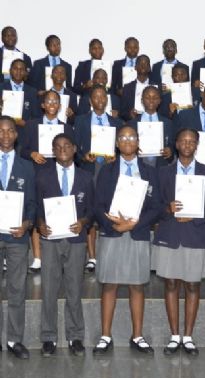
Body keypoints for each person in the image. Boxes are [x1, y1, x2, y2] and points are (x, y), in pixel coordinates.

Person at [93, 125, 161, 354]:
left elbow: (156, 207)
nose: (127, 140)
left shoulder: (150, 172)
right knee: (109, 285)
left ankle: (137, 336)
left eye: (132, 137)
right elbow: (98, 205)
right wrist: (114, 224)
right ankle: (105, 336)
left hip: (138, 233)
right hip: (112, 232)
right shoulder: (106, 171)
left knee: (137, 285)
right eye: (123, 137)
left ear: (138, 141)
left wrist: (134, 224)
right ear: (116, 143)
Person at [152, 128, 205, 355]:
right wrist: (167, 209)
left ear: (197, 145)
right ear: (177, 144)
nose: (187, 144)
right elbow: (154, 205)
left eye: (192, 141)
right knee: (171, 284)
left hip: (195, 234)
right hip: (170, 234)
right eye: (184, 140)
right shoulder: (163, 172)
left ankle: (188, 336)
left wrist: (197, 215)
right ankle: (174, 336)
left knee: (192, 285)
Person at [36, 133, 94, 357]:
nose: (62, 149)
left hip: (76, 240)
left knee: (74, 290)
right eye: (58, 146)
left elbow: (92, 210)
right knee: (49, 290)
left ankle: (75, 336)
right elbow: (36, 207)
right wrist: (40, 224)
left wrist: (83, 222)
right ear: (53, 151)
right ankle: (48, 337)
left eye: (67, 145)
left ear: (75, 149)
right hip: (50, 239)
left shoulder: (86, 177)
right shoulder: (42, 176)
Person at [21, 90, 74, 272]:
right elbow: (22, 149)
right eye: (48, 101)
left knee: (58, 211)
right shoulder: (31, 125)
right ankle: (37, 257)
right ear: (43, 105)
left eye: (55, 101)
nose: (52, 104)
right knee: (38, 213)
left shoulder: (66, 128)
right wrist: (32, 154)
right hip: (37, 174)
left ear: (60, 105)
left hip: (59, 174)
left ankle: (61, 256)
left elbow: (72, 152)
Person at [74, 84, 123, 272]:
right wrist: (83, 157)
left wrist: (116, 157)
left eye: (103, 96)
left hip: (110, 171)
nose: (100, 100)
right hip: (89, 170)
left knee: (109, 210)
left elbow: (123, 149)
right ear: (90, 100)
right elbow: (74, 148)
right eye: (96, 96)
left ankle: (112, 255)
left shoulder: (117, 123)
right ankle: (92, 257)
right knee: (90, 211)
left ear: (107, 99)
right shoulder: (81, 121)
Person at [0, 115, 35, 359]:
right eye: (1, 130)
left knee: (17, 289)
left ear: (16, 134)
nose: (5, 135)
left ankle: (14, 340)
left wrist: (27, 224)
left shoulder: (27, 166)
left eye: (10, 130)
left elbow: (32, 203)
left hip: (17, 236)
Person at [126, 85, 174, 167]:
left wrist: (170, 150)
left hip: (161, 166)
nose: (151, 100)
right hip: (138, 166)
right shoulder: (131, 124)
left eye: (155, 98)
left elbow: (172, 144)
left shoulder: (168, 123)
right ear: (142, 100)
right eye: (147, 97)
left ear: (159, 101)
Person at [0, 59, 41, 135]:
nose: (18, 71)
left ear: (26, 72)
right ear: (10, 70)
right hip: (2, 131)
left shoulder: (32, 91)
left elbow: (36, 116)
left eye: (21, 69)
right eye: (15, 68)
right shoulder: (1, 88)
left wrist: (26, 123)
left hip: (24, 132)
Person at [120, 55, 156, 121]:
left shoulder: (156, 87)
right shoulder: (127, 88)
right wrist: (130, 115)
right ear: (135, 67)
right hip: (133, 123)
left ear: (149, 68)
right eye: (140, 63)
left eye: (145, 64)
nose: (143, 66)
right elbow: (122, 112)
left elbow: (161, 111)